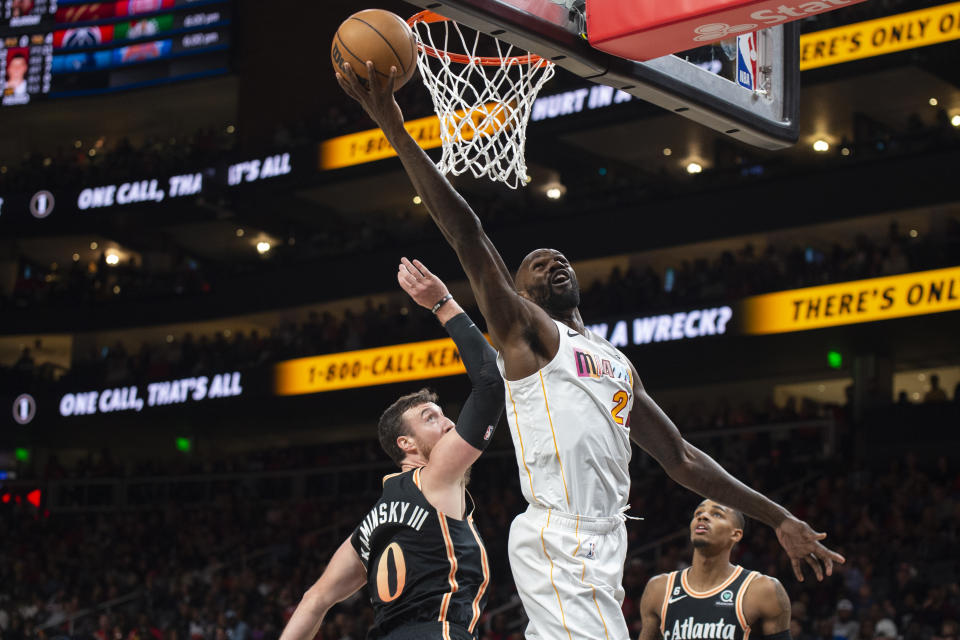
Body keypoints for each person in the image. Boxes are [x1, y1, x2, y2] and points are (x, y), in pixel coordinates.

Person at [337, 63, 844, 640]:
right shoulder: (529, 335)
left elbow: (682, 459)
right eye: (537, 263)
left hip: (606, 540)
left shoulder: (616, 362)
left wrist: (778, 517)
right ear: (518, 293)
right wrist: (393, 123)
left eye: (560, 258)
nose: (554, 262)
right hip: (561, 533)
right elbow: (467, 234)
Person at [279, 258, 503, 640]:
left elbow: (314, 599)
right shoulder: (434, 479)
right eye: (431, 417)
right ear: (406, 444)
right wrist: (442, 303)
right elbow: (490, 381)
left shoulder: (367, 529)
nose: (449, 423)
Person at [638, 500, 791, 640]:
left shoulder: (763, 589)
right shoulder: (659, 588)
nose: (703, 516)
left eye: (717, 514)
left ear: (736, 534)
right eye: (698, 513)